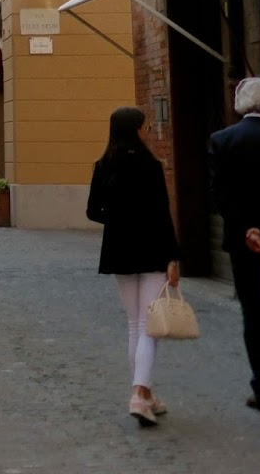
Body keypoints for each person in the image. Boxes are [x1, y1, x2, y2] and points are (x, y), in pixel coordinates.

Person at [86, 105, 180, 426]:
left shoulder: (103, 166)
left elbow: (92, 211)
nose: (148, 130)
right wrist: (173, 257)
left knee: (134, 325)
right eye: (144, 126)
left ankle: (147, 394)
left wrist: (117, 220)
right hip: (152, 249)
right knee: (148, 325)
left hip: (119, 250)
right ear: (134, 129)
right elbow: (163, 215)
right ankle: (139, 395)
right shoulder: (150, 165)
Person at [209, 77, 260, 412]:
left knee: (251, 312)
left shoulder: (222, 140)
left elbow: (220, 195)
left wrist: (248, 228)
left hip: (242, 237)